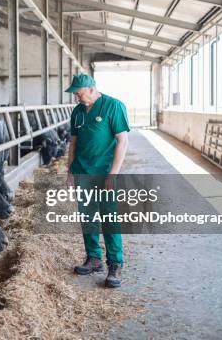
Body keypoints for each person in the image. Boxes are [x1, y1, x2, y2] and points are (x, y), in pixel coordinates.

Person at [65, 74, 130, 288]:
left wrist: (113, 174)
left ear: (91, 89)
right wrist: (70, 172)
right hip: (83, 172)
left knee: (109, 217)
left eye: (79, 93)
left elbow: (122, 141)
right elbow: (73, 143)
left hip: (104, 173)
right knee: (88, 217)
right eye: (75, 93)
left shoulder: (114, 106)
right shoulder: (77, 112)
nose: (76, 97)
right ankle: (93, 258)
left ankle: (115, 264)